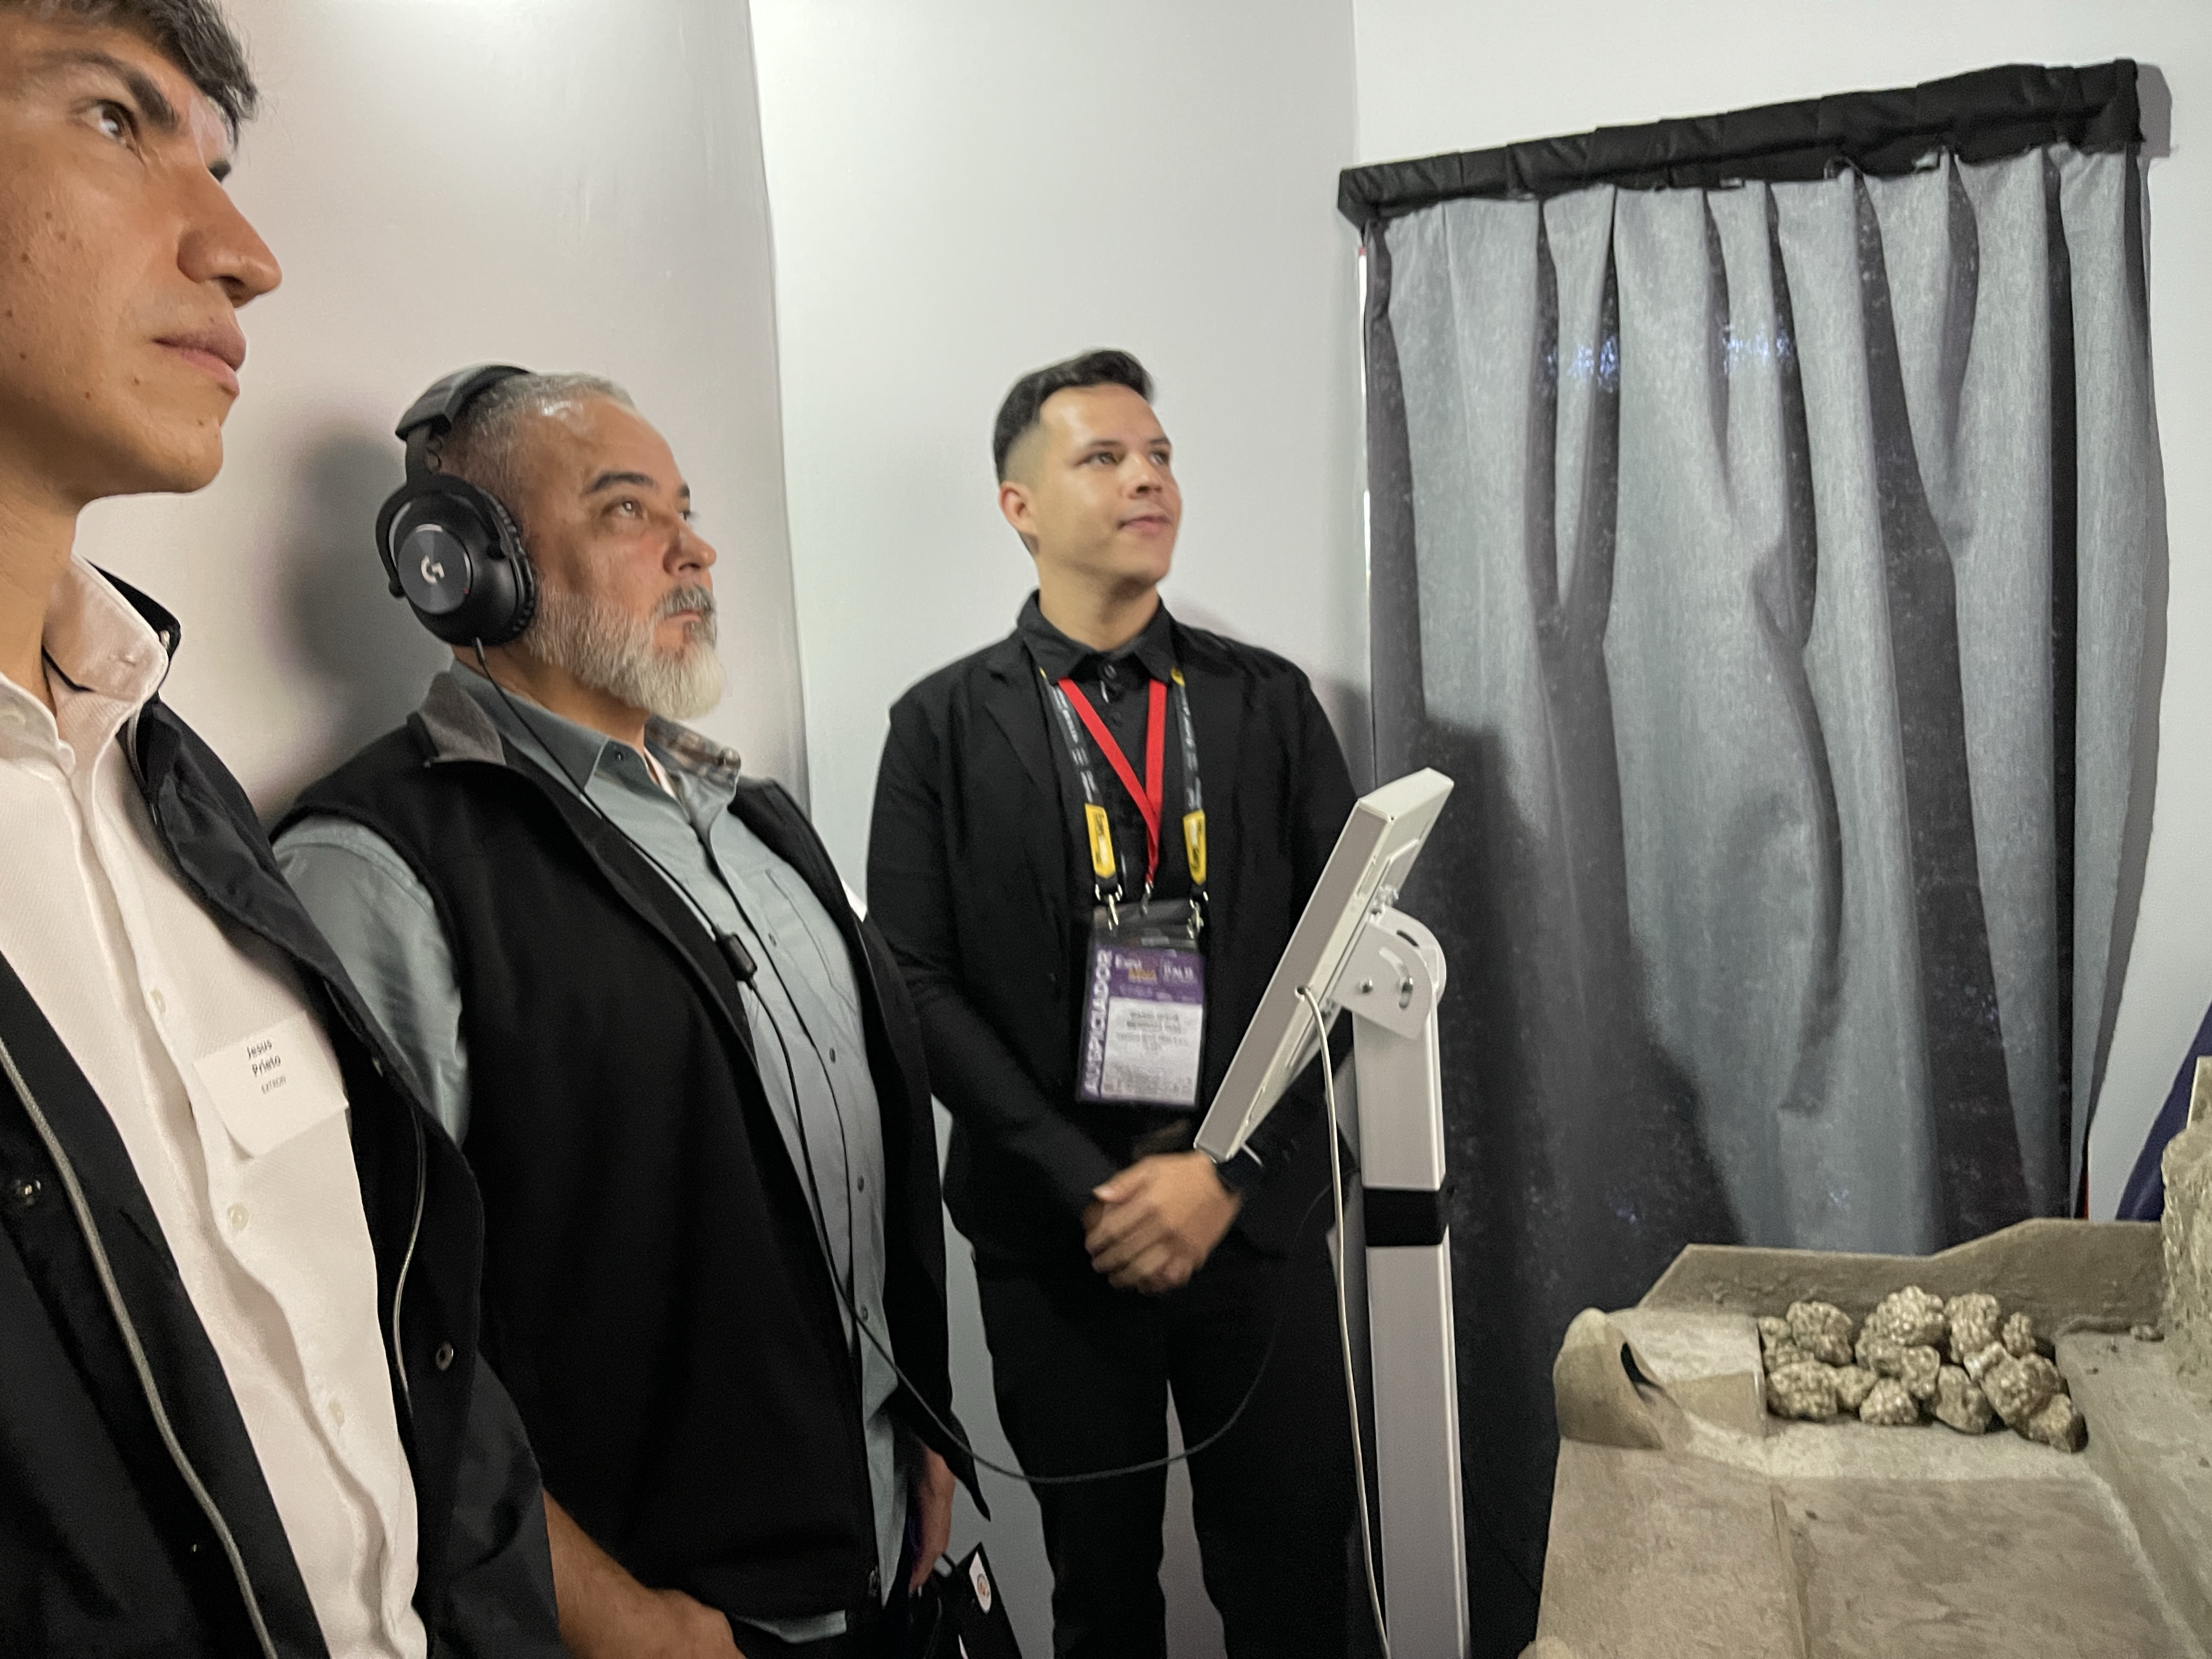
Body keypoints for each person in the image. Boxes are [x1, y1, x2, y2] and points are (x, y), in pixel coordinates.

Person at [0, 4, 563, 1655]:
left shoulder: (175, 794)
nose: (246, 256)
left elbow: (401, 1358)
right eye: (117, 120)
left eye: (222, 163)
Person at [273, 369, 978, 1659]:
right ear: (465, 567)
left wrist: (918, 1415)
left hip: (888, 1554)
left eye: (686, 509)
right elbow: (362, 1328)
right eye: (626, 511)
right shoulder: (381, 870)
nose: (695, 548)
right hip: (680, 1620)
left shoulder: (757, 822)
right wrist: (617, 1622)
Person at [868, 348, 1358, 1658]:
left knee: (1297, 1584)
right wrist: (1093, 1186)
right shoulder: (937, 728)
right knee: (1099, 1603)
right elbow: (912, 984)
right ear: (1019, 506)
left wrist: (1226, 1173)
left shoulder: (1267, 704)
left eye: (1161, 456)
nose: (1149, 478)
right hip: (1057, 1241)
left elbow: (1340, 961)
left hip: (1251, 1224)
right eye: (1105, 457)